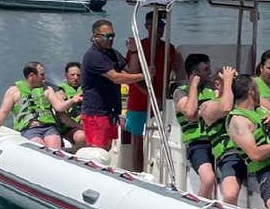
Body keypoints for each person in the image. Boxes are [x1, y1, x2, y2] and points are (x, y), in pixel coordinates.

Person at [216, 73, 270, 209]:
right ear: (252, 91)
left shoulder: (260, 110)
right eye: (257, 88)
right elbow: (255, 154)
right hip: (265, 167)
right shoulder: (238, 121)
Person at [120, 9, 181, 172]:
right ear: (147, 26)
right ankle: (137, 172)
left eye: (162, 25)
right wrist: (150, 94)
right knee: (137, 141)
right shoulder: (138, 47)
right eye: (156, 25)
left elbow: (174, 74)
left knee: (163, 139)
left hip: (161, 103)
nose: (159, 29)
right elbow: (131, 74)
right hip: (139, 101)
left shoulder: (170, 48)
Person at [79, 18, 142, 153]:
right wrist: (144, 76)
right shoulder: (93, 56)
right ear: (96, 36)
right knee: (98, 151)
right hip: (96, 113)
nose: (111, 39)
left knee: (107, 148)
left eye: (113, 35)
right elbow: (116, 77)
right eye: (107, 36)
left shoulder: (113, 53)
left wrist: (133, 52)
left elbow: (131, 71)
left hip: (110, 112)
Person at [0, 60, 65, 149]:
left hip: (48, 127)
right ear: (31, 76)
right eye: (42, 75)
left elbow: (59, 106)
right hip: (29, 129)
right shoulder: (13, 91)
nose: (44, 78)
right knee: (39, 147)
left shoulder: (47, 89)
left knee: (54, 145)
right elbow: (3, 111)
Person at [176, 53, 220, 197]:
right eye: (206, 69)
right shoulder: (180, 93)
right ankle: (200, 205)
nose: (210, 72)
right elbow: (190, 113)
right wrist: (194, 85)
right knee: (208, 179)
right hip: (197, 144)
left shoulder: (212, 90)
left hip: (217, 141)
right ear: (195, 73)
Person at [52, 60, 86, 145]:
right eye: (72, 75)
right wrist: (80, 127)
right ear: (66, 75)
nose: (75, 77)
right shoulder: (60, 92)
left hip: (88, 123)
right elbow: (63, 117)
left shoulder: (87, 89)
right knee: (81, 136)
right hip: (71, 128)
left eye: (78, 75)